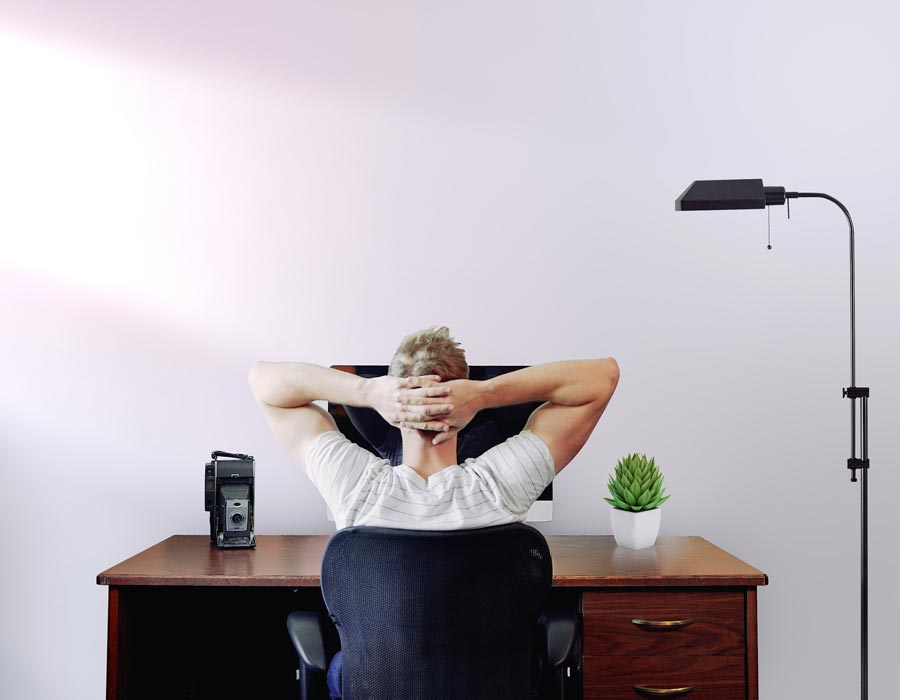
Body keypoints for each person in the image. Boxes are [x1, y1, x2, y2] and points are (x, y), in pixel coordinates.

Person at [248, 326, 619, 698]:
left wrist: (368, 392)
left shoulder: (355, 487)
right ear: (465, 400)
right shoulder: (500, 486)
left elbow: (262, 381)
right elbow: (602, 377)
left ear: (392, 408)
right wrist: (484, 394)